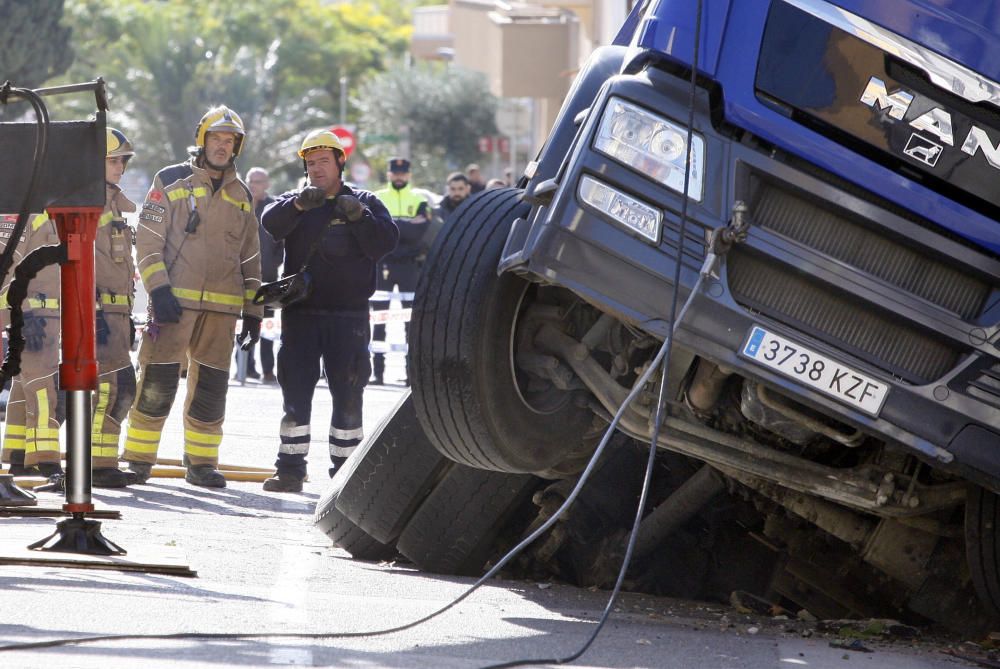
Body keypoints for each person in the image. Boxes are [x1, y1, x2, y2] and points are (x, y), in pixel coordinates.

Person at [123, 105, 263, 488]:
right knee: (156, 383)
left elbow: (250, 256)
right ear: (202, 140)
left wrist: (254, 311)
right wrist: (160, 289)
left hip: (222, 310)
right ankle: (137, 460)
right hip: (173, 307)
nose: (223, 146)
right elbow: (148, 243)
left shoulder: (242, 194)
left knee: (211, 390)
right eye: (217, 138)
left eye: (230, 140)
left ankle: (201, 464)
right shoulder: (169, 180)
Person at [260, 129, 397, 493]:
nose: (316, 168)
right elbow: (270, 223)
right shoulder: (296, 201)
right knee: (295, 395)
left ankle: (346, 475)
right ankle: (290, 470)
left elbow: (385, 242)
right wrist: (298, 206)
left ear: (340, 162)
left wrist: (360, 218)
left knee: (349, 395)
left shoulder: (365, 201)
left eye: (323, 161)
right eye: (310, 162)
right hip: (301, 317)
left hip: (349, 318)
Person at [89, 128, 141, 488]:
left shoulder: (113, 204)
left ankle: (101, 463)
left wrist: (126, 317)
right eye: (112, 159)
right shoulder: (88, 205)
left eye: (123, 159)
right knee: (113, 388)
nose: (120, 166)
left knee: (120, 389)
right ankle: (97, 465)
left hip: (117, 316)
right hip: (99, 315)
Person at [0, 211, 63, 480]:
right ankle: (44, 460)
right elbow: (7, 264)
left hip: (49, 317)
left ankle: (18, 455)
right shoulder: (28, 211)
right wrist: (20, 312)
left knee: (25, 386)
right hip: (30, 316)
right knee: (42, 388)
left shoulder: (62, 212)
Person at [371, 158, 433, 386]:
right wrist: (405, 225)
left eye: (403, 173)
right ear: (388, 174)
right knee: (379, 319)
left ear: (408, 175)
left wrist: (392, 224)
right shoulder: (377, 197)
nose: (399, 176)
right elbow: (376, 229)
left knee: (410, 321)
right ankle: (378, 373)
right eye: (395, 172)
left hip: (408, 265)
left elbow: (419, 233)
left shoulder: (418, 199)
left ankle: (410, 374)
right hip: (383, 264)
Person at [233, 167, 281, 384]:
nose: (253, 185)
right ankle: (245, 367)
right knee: (244, 324)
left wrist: (273, 263)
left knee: (267, 327)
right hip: (241, 278)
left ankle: (268, 370)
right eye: (250, 180)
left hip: (267, 277)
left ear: (267, 184)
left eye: (258, 181)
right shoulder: (239, 205)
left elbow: (281, 244)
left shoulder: (274, 207)